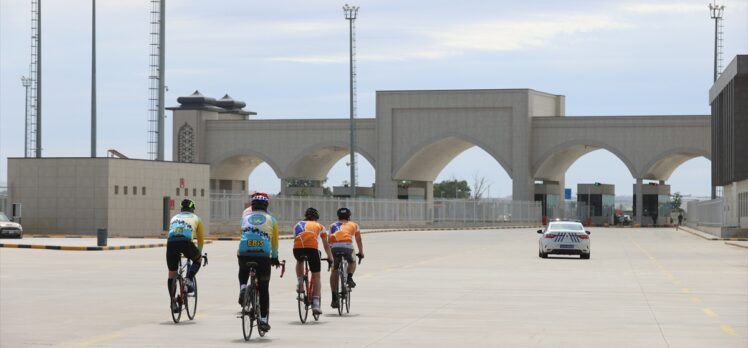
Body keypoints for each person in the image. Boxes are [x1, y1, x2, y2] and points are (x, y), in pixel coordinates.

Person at [237, 192, 279, 332]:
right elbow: (274, 242)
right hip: (263, 255)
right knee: (264, 287)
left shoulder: (245, 218)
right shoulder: (272, 219)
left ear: (252, 206)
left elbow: (243, 233)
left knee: (243, 267)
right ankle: (263, 319)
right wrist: (275, 257)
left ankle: (243, 287)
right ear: (266, 205)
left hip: (244, 253)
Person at [166, 199, 205, 313]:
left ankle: (173, 301)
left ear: (181, 209)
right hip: (186, 242)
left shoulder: (174, 218)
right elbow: (201, 241)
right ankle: (189, 279)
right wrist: (198, 253)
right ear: (192, 209)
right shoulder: (196, 218)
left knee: (172, 273)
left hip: (171, 243)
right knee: (198, 260)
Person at [292, 207, 332, 315]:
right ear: (316, 218)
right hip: (312, 250)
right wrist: (330, 257)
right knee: (316, 276)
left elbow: (295, 239)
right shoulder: (320, 226)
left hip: (297, 249)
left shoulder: (297, 225)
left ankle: (300, 282)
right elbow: (326, 245)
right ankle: (315, 304)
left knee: (299, 261)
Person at [328, 207, 364, 308]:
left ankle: (334, 297)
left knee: (334, 270)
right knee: (352, 261)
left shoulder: (332, 225)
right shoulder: (354, 225)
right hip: (347, 247)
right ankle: (349, 278)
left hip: (335, 248)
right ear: (349, 216)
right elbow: (358, 239)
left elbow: (329, 240)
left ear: (338, 216)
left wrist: (331, 252)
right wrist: (361, 252)